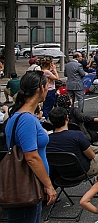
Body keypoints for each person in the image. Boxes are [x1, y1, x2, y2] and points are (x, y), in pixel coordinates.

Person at [3, 71, 57, 222]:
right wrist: (49, 185)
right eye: (47, 86)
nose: (48, 89)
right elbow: (32, 156)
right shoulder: (26, 119)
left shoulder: (20, 115)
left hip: (29, 181)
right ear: (41, 88)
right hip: (26, 183)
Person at [46, 107, 98, 177]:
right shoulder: (77, 135)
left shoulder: (47, 139)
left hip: (61, 173)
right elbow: (91, 156)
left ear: (51, 122)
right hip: (82, 171)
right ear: (67, 118)